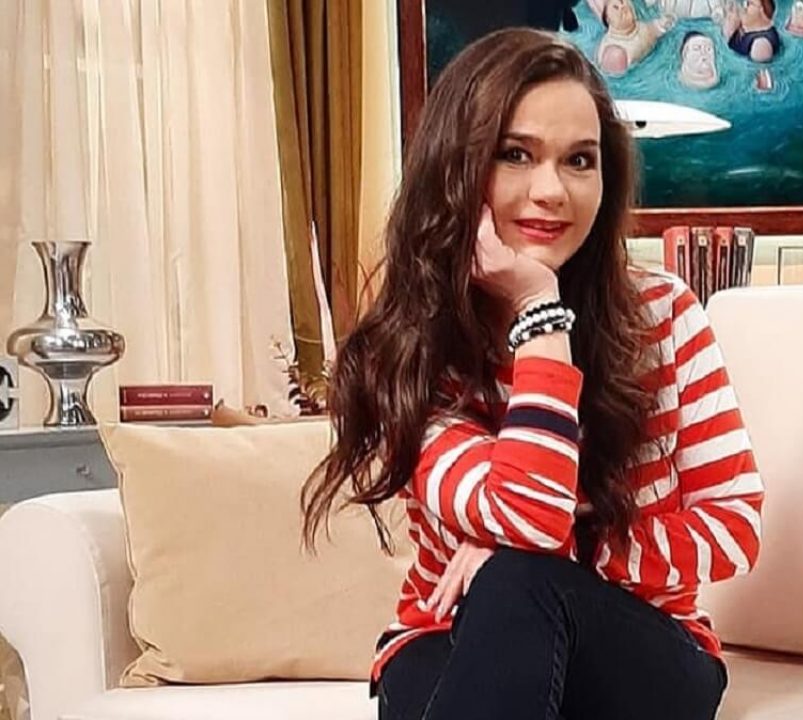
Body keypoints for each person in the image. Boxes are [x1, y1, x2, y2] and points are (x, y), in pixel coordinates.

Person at [301, 28, 764, 720]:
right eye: (515, 154)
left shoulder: (665, 316)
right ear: (457, 168)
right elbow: (530, 511)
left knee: (519, 577)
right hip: (448, 634)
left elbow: (733, 529)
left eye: (579, 160)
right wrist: (539, 310)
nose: (551, 191)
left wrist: (576, 549)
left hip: (642, 643)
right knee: (510, 598)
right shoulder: (415, 349)